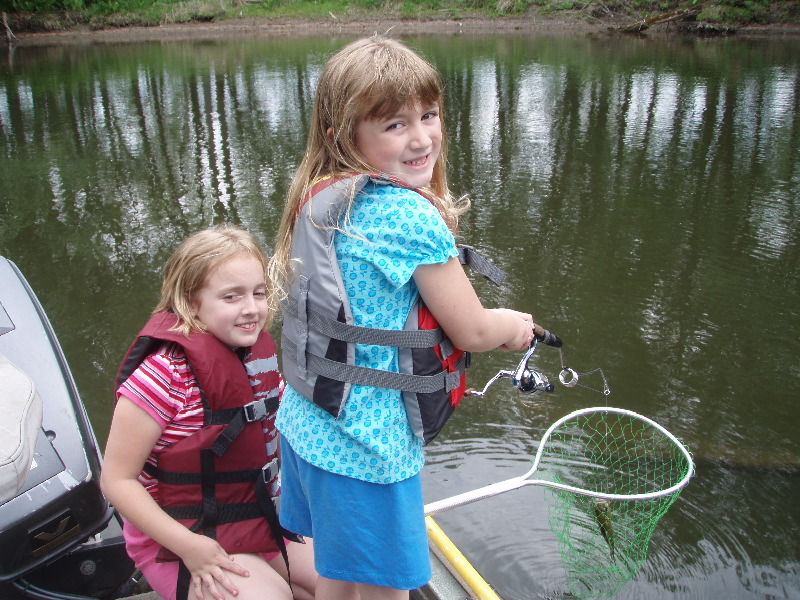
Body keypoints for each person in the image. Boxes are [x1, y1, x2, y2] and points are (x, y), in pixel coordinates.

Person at [268, 36, 537, 600]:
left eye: (429, 115)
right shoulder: (408, 218)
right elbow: (473, 330)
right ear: (343, 134)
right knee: (386, 591)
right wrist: (515, 326)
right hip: (368, 445)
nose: (421, 139)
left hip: (306, 425)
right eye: (394, 125)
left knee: (337, 575)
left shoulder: (321, 197)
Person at [100, 226, 317, 600]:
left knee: (352, 582)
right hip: (181, 533)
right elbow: (117, 481)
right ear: (190, 300)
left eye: (259, 293)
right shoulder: (161, 376)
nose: (251, 309)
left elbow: (288, 430)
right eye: (231, 297)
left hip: (255, 514)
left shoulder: (254, 360)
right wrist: (188, 547)